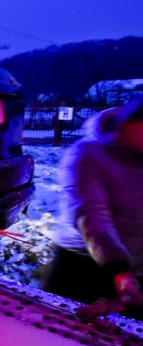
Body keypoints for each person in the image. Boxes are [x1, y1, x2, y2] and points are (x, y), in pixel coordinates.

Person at [42, 97, 143, 316]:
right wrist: (120, 270)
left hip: (135, 275)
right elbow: (92, 216)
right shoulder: (87, 154)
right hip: (81, 265)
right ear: (129, 122)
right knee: (55, 332)